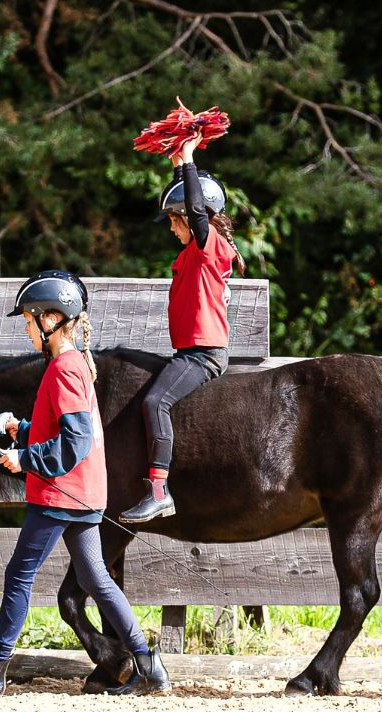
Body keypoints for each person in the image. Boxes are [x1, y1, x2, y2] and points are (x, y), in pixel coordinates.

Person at [0, 270, 170, 698]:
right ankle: (149, 664)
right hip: (81, 493)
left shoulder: (63, 369)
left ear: (53, 320)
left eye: (28, 320)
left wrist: (24, 459)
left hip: (59, 494)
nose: (26, 328)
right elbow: (60, 430)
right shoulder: (73, 365)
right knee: (97, 579)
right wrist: (20, 430)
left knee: (19, 576)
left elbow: (74, 443)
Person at [119, 134, 246, 524]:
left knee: (155, 402)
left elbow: (196, 207)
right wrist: (177, 163)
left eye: (175, 221)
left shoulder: (211, 248)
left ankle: (159, 490)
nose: (172, 229)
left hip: (204, 355)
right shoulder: (193, 254)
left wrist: (189, 157)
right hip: (188, 353)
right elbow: (193, 204)